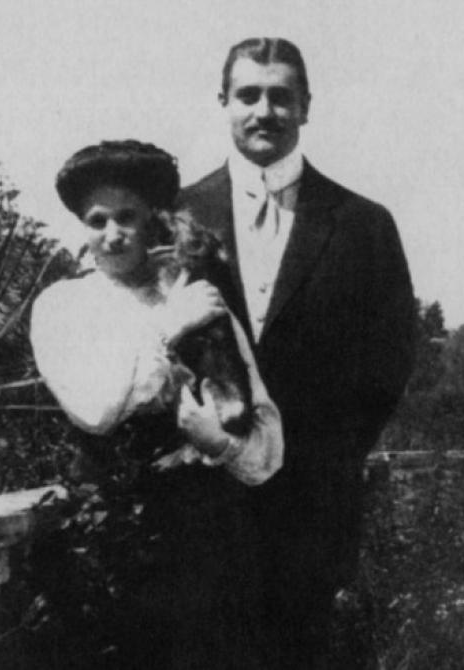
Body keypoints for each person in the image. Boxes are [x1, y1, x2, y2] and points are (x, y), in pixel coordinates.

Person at [175, 37, 416, 669]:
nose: (264, 111)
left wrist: (325, 462)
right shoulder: (176, 215)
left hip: (311, 510)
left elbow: (390, 361)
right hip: (198, 507)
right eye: (248, 95)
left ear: (306, 106)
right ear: (223, 102)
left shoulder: (363, 224)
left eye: (281, 97)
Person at [30, 140, 283, 669]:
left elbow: (264, 437)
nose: (113, 233)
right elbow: (96, 411)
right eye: (97, 220)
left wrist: (221, 443)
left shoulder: (195, 292)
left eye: (127, 217)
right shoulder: (64, 307)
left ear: (153, 220)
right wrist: (168, 327)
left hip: (210, 546)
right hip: (113, 544)